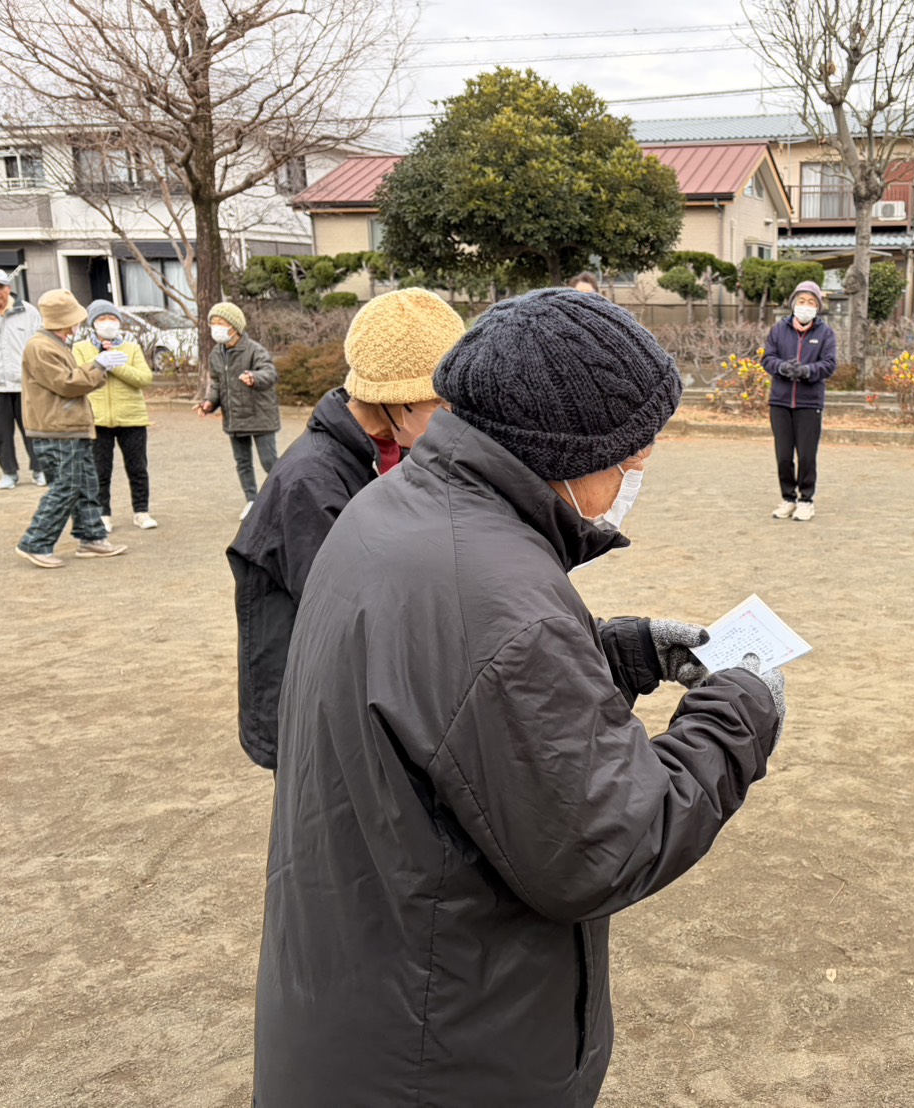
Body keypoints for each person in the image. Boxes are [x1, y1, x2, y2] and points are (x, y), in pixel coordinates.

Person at [253, 288, 787, 1106]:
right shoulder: (495, 595)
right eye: (633, 450)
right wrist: (739, 709)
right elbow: (607, 842)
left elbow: (450, 694)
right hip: (446, 1052)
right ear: (566, 450)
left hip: (368, 1001)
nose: (640, 466)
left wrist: (617, 652)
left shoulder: (394, 509)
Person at [227, 288, 466, 772]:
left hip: (356, 693)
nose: (451, 418)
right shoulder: (311, 481)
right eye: (439, 403)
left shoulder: (391, 448)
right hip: (312, 704)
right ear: (395, 400)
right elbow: (356, 614)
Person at [15, 290, 129, 568]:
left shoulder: (54, 344)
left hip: (70, 426)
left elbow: (72, 379)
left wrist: (98, 364)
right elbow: (67, 383)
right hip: (57, 428)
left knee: (87, 483)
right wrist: (98, 365)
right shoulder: (41, 347)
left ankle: (92, 537)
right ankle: (36, 542)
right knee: (66, 486)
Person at [75, 299, 156, 531]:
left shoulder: (131, 348)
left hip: (132, 417)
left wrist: (115, 365)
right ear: (93, 323)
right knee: (100, 470)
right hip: (97, 419)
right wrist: (100, 362)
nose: (108, 323)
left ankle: (141, 511)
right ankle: (103, 514)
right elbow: (79, 377)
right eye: (102, 319)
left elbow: (144, 378)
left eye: (112, 318)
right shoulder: (81, 348)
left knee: (137, 467)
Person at [761, 279, 836, 522]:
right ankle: (788, 498)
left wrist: (807, 371)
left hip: (809, 403)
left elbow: (829, 364)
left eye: (811, 302)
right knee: (783, 455)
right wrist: (782, 367)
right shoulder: (779, 330)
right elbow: (767, 358)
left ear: (818, 307)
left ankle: (806, 500)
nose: (806, 305)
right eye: (802, 300)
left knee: (806, 455)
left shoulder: (825, 333)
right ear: (793, 303)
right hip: (780, 402)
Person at [197, 301, 279, 519]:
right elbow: (216, 383)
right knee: (243, 463)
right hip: (234, 417)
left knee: (270, 462)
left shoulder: (254, 350)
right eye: (213, 323)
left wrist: (254, 377)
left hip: (260, 415)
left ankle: (282, 498)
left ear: (234, 326)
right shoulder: (216, 353)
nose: (215, 327)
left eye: (220, 323)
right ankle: (252, 500)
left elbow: (270, 373)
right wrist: (209, 403)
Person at [0, 268, 46, 489]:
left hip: (25, 384)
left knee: (33, 430)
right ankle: (9, 473)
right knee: (0, 434)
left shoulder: (28, 312)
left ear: (9, 288)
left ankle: (40, 470)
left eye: (0, 287)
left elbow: (39, 345)